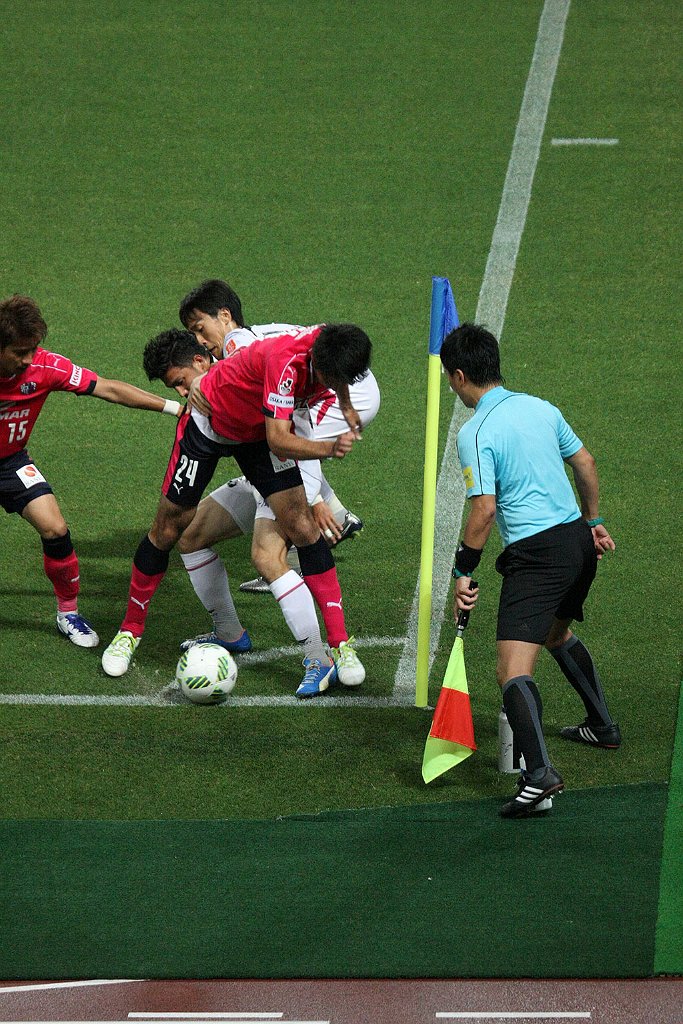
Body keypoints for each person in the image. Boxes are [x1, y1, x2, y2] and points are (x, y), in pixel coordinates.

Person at [101, 322, 371, 697]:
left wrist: (345, 403)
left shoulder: (330, 342)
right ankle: (129, 632)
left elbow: (299, 409)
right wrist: (330, 448)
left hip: (256, 433)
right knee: (168, 530)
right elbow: (280, 441)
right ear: (315, 361)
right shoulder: (284, 363)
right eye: (331, 379)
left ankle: (336, 647)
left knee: (303, 529)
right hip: (209, 428)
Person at [441, 322, 619, 819]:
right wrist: (593, 521)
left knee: (511, 670)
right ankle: (602, 726)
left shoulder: (475, 432)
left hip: (537, 558)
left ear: (459, 376)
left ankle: (539, 775)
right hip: (577, 543)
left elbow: (484, 511)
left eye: (450, 379)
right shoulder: (541, 407)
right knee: (556, 634)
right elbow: (585, 462)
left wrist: (463, 570)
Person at [0, 294, 182, 648]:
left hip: (11, 463)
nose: (29, 359)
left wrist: (175, 408)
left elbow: (108, 388)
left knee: (55, 528)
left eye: (33, 349)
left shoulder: (45, 367)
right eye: (20, 352)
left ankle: (67, 613)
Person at [178, 279, 377, 593]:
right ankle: (334, 513)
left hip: (340, 389)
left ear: (225, 316)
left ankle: (289, 558)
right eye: (193, 334)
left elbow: (285, 436)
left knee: (279, 456)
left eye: (200, 329)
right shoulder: (255, 341)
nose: (200, 341)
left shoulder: (236, 345)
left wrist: (312, 499)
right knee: (279, 448)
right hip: (347, 379)